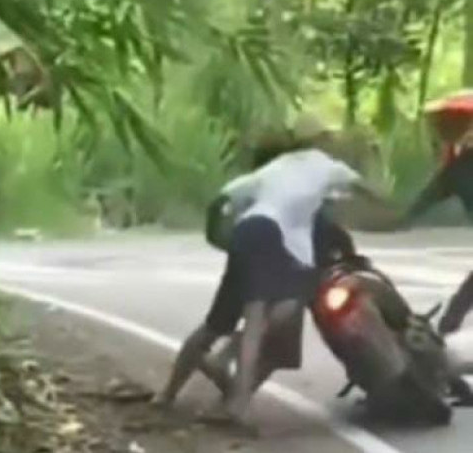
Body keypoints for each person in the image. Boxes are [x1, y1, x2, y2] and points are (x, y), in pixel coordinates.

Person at [152, 136, 376, 431]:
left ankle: (169, 393)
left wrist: (220, 238)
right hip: (288, 267)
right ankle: (237, 400)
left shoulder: (261, 188)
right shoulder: (309, 194)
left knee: (216, 325)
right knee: (269, 331)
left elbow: (221, 202)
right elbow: (339, 232)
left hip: (247, 247)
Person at [404, 128, 473, 334]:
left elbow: (429, 197)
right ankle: (448, 324)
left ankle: (448, 325)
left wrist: (404, 218)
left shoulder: (456, 168)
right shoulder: (457, 168)